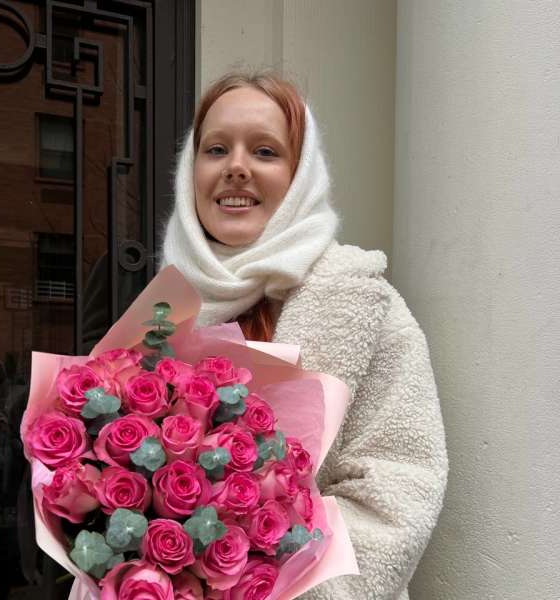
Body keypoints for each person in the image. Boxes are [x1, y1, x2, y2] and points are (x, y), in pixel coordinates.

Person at [161, 71, 448, 599]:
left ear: (300, 174)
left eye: (265, 152)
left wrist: (264, 584)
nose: (236, 168)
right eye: (216, 149)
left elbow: (398, 488)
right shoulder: (164, 310)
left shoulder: (361, 303)